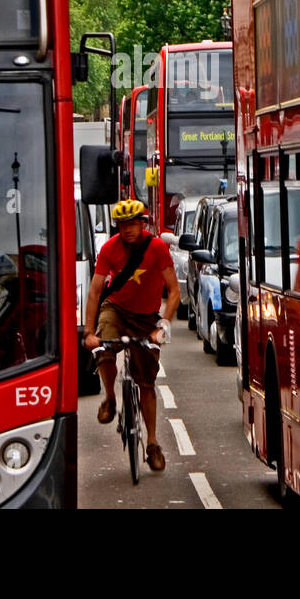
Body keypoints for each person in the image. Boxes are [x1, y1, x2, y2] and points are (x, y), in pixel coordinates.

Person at [83, 198, 180, 472]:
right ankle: (111, 399)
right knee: (103, 350)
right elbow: (94, 292)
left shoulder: (158, 248)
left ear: (142, 224)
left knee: (146, 381)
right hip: (116, 309)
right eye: (123, 225)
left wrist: (163, 327)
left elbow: (174, 291)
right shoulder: (109, 250)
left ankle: (152, 443)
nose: (128, 230)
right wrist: (90, 332)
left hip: (146, 318)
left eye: (133, 225)